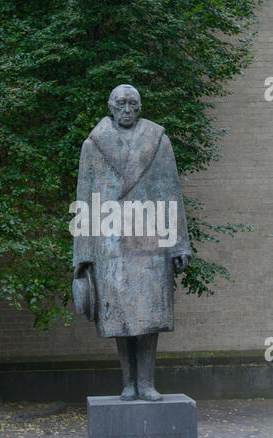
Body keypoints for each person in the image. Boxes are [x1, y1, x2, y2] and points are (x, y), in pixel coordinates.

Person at [73, 84, 191, 401]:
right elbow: (84, 198)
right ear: (111, 107)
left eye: (133, 103)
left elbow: (171, 192)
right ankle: (128, 383)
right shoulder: (94, 145)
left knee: (149, 314)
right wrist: (83, 254)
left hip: (151, 238)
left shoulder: (158, 140)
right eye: (121, 103)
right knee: (119, 316)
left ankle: (147, 383)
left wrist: (179, 243)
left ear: (140, 107)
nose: (127, 109)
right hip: (110, 243)